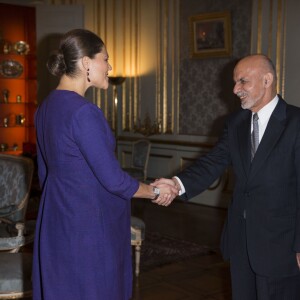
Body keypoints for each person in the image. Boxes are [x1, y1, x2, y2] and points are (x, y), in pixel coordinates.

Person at [32, 28, 178, 300]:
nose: (110, 66)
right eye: (105, 59)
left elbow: (45, 173)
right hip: (89, 226)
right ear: (87, 63)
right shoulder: (83, 112)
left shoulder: (45, 107)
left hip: (55, 219)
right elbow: (114, 180)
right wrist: (156, 191)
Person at [153, 54, 300, 299]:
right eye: (235, 82)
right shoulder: (236, 123)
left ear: (267, 80)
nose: (235, 89)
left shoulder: (296, 123)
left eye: (243, 81)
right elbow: (213, 162)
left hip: (282, 246)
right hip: (241, 242)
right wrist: (177, 184)